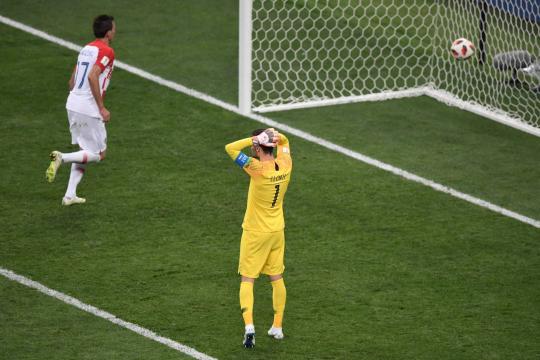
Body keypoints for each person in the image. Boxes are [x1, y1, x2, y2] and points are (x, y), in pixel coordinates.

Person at [225, 128, 293, 348]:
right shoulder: (286, 163)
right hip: (277, 231)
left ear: (256, 147)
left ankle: (249, 327)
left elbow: (230, 148)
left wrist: (252, 139)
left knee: (248, 279)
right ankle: (277, 327)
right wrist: (274, 135)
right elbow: (285, 140)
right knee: (277, 277)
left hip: (255, 233)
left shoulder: (255, 168)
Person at [45, 15, 116, 205]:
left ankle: (69, 195)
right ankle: (62, 157)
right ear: (108, 32)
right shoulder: (107, 51)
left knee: (84, 150)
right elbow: (93, 77)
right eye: (114, 29)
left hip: (72, 103)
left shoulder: (85, 49)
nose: (115, 32)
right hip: (88, 107)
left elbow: (71, 82)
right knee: (99, 154)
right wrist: (101, 108)